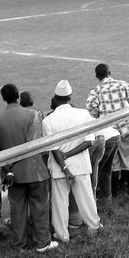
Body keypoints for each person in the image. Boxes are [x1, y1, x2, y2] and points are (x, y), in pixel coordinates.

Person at [0, 84, 57, 253]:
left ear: (3, 98)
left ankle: (19, 244)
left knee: (17, 210)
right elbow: (35, 144)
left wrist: (8, 169)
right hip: (35, 170)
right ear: (18, 96)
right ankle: (42, 242)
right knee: (40, 206)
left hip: (11, 173)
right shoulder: (33, 114)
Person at [44, 80, 103, 243]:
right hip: (80, 165)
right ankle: (94, 227)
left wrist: (64, 165)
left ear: (56, 98)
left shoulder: (48, 120)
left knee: (59, 203)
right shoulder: (83, 114)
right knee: (87, 199)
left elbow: (54, 149)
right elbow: (89, 141)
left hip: (58, 168)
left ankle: (62, 235)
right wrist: (69, 155)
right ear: (70, 97)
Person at [86, 64, 129, 195]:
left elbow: (90, 110)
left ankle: (115, 193)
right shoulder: (125, 85)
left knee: (114, 164)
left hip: (109, 133)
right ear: (109, 72)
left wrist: (99, 116)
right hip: (126, 128)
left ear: (97, 76)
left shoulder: (96, 91)